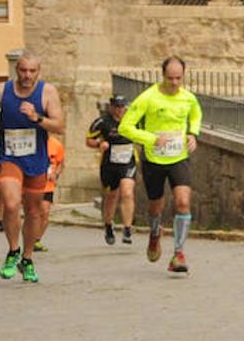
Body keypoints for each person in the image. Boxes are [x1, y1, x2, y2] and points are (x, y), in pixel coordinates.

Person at [0, 52, 66, 284]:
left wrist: (37, 117)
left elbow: (59, 125)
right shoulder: (0, 90)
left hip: (36, 159)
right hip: (9, 157)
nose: (27, 76)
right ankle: (12, 251)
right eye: (23, 70)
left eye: (32, 71)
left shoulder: (47, 93)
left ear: (39, 71)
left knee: (34, 212)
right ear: (17, 69)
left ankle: (27, 258)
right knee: (10, 202)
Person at [119, 56, 203, 275]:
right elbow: (125, 127)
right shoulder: (148, 97)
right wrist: (150, 139)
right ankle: (155, 232)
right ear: (162, 75)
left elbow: (196, 115)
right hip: (154, 159)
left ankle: (178, 253)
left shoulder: (188, 98)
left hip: (179, 157)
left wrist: (193, 133)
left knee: (183, 202)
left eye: (178, 78)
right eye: (170, 78)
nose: (174, 83)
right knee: (156, 206)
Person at [86, 95, 138, 245]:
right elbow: (88, 140)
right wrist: (99, 145)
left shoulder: (133, 119)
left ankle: (127, 229)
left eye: (121, 107)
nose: (119, 110)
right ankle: (108, 225)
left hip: (128, 161)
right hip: (110, 163)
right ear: (111, 106)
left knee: (127, 192)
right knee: (111, 196)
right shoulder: (102, 122)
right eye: (116, 106)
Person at [35, 134, 66, 250]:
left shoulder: (56, 144)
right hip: (34, 184)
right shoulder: (34, 142)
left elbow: (61, 163)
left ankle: (36, 240)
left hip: (48, 185)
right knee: (34, 214)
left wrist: (56, 173)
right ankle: (29, 239)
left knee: (45, 213)